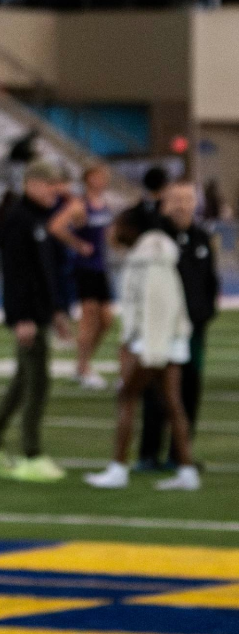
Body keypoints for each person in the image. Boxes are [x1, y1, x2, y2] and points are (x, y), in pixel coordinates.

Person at [0, 161, 71, 483]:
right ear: (33, 184)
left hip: (39, 311)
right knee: (37, 384)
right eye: (51, 184)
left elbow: (44, 272)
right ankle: (31, 454)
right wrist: (22, 317)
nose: (57, 191)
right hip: (29, 315)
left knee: (22, 382)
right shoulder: (19, 221)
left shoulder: (39, 220)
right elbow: (16, 276)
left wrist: (55, 310)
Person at [82, 205, 199, 491]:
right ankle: (187, 472)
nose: (114, 230)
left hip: (153, 342)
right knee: (172, 405)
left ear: (133, 229)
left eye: (118, 224)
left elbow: (157, 307)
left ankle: (118, 469)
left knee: (126, 397)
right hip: (165, 340)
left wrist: (143, 349)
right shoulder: (152, 255)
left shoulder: (149, 259)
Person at [138, 180, 219, 470]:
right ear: (165, 203)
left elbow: (210, 281)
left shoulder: (202, 238)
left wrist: (206, 313)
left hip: (194, 329)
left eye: (188, 199)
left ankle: (180, 454)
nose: (183, 205)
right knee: (156, 392)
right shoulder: (155, 238)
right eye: (176, 199)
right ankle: (148, 455)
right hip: (162, 329)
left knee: (190, 390)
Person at [53, 164, 116, 391]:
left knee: (106, 320)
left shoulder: (104, 203)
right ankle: (82, 368)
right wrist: (78, 244)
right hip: (84, 267)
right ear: (89, 178)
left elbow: (108, 234)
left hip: (101, 267)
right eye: (98, 176)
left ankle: (84, 363)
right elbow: (57, 227)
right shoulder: (80, 203)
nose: (102, 180)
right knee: (89, 319)